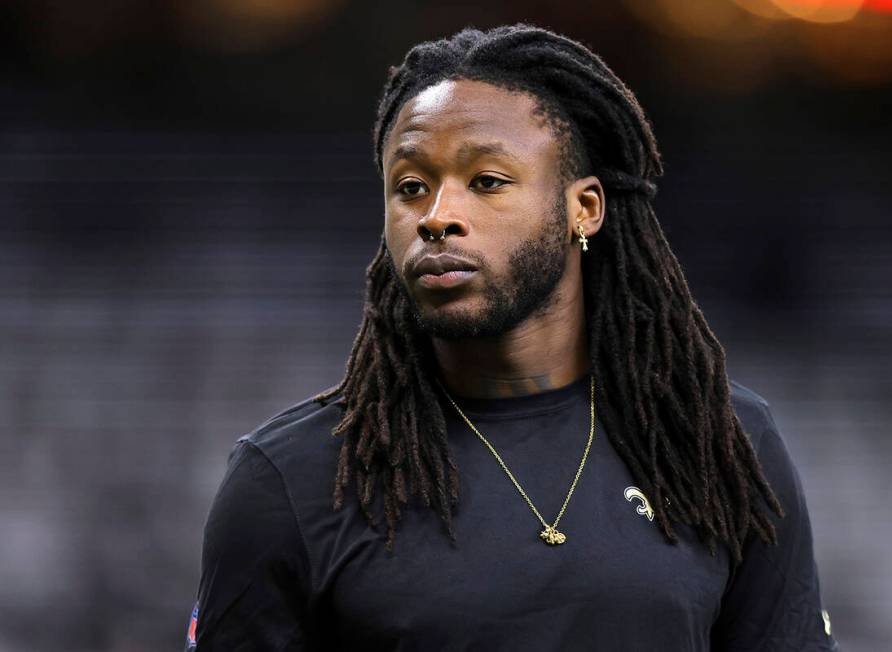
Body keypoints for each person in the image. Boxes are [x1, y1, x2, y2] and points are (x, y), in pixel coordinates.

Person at [185, 24, 839, 652]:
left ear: (583, 207)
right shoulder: (289, 481)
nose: (438, 216)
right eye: (410, 187)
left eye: (487, 182)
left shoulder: (719, 441)